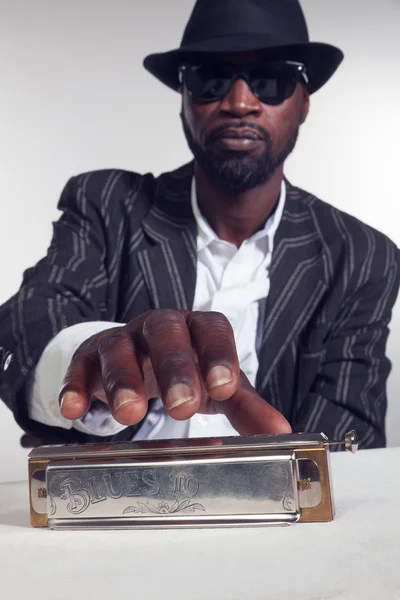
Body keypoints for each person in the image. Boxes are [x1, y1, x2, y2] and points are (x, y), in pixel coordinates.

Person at [0, 0, 399, 450]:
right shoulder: (108, 205)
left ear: (304, 103)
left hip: (278, 512)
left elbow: (350, 433)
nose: (239, 102)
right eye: (210, 78)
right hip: (114, 509)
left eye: (270, 80)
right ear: (184, 99)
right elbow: (33, 314)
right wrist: (94, 359)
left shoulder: (362, 256)